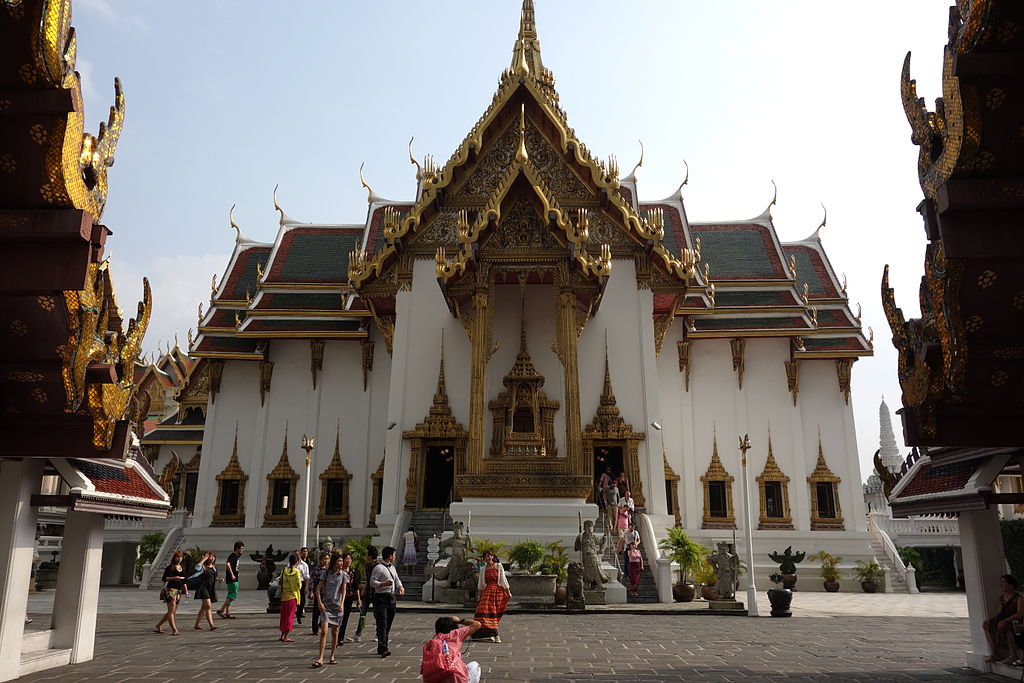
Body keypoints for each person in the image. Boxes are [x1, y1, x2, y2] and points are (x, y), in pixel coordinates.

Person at [312, 552, 349, 667]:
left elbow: (344, 591)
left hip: (337, 606)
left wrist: (342, 604)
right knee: (324, 631)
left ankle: (332, 655)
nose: (341, 563)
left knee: (335, 632)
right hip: (326, 606)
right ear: (334, 562)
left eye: (342, 561)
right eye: (339, 561)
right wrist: (319, 602)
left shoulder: (343, 575)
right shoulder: (326, 573)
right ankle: (320, 657)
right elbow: (318, 589)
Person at [421, 615, 482, 683]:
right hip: (458, 679)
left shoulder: (433, 641)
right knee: (474, 665)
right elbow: (477, 624)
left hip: (437, 678)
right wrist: (459, 621)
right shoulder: (456, 634)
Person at [370, 545, 404, 658]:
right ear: (390, 556)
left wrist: (400, 587)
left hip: (391, 597)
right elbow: (372, 582)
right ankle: (384, 648)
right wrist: (383, 584)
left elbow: (397, 579)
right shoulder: (378, 568)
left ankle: (382, 645)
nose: (395, 557)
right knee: (382, 623)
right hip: (381, 597)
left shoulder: (392, 568)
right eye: (394, 555)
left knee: (388, 623)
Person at [983, 574, 1023, 664]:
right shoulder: (1002, 598)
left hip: (1015, 621)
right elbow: (1000, 614)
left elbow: (1020, 613)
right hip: (1005, 620)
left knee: (1007, 627)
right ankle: (994, 653)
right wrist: (990, 619)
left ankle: (1013, 655)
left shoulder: (1019, 597)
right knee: (987, 625)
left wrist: (1006, 620)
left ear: (1011, 584)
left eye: (1003, 582)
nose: (1001, 584)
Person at [472, 551, 511, 643]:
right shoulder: (483, 569)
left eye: (489, 556)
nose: (488, 558)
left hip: (497, 592)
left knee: (494, 613)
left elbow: (503, 579)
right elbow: (481, 584)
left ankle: (495, 634)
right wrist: (479, 596)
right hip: (487, 592)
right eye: (485, 556)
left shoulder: (498, 566)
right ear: (484, 559)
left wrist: (508, 592)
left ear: (492, 556)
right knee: (482, 612)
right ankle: (488, 634)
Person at [154, 550, 187, 635]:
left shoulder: (182, 568)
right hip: (171, 590)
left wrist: (186, 591)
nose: (179, 558)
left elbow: (184, 581)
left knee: (173, 611)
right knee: (171, 610)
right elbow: (164, 578)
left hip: (178, 591)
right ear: (174, 558)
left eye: (180, 557)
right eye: (177, 557)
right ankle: (174, 629)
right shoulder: (170, 567)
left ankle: (158, 625)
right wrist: (174, 578)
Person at [353, 545, 379, 642]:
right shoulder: (367, 565)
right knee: (362, 613)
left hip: (376, 593)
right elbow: (368, 579)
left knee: (377, 615)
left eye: (367, 554)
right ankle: (358, 633)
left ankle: (378, 633)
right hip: (368, 592)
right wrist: (364, 589)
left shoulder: (379, 566)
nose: (365, 556)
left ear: (370, 555)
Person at [191, 553, 219, 632]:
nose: (212, 558)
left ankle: (196, 625)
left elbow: (213, 577)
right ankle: (211, 625)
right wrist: (203, 559)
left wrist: (218, 579)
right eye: (210, 557)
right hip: (203, 588)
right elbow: (196, 568)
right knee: (208, 606)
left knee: (203, 608)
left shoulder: (214, 567)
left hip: (210, 589)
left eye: (213, 557)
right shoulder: (203, 567)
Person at [338, 552, 362, 644]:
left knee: (345, 617)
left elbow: (356, 586)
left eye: (350, 559)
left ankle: (340, 637)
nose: (348, 561)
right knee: (338, 617)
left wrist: (358, 599)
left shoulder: (353, 572)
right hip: (338, 597)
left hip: (349, 597)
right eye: (347, 559)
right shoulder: (338, 571)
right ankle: (336, 634)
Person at [279, 553, 302, 642]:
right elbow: (299, 585)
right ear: (297, 562)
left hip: (284, 596)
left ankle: (282, 635)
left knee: (284, 616)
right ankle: (286, 636)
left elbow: (280, 582)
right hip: (292, 596)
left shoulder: (284, 570)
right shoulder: (297, 572)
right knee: (290, 617)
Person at [217, 541, 244, 619]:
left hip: (232, 578)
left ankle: (228, 613)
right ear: (237, 549)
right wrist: (232, 574)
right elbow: (227, 564)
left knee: (230, 595)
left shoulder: (236, 556)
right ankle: (221, 610)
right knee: (233, 596)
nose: (242, 550)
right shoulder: (233, 555)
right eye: (241, 548)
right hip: (232, 579)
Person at [308, 553, 330, 636]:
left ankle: (321, 625)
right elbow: (312, 581)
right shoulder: (316, 570)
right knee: (316, 611)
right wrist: (311, 592)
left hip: (327, 593)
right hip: (318, 592)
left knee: (327, 611)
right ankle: (315, 629)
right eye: (324, 559)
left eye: (327, 559)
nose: (326, 561)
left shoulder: (329, 570)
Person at [296, 547, 310, 625]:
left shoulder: (304, 564)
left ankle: (299, 613)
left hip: (301, 582)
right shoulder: (292, 564)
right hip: (293, 583)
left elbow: (307, 576)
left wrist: (306, 587)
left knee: (302, 600)